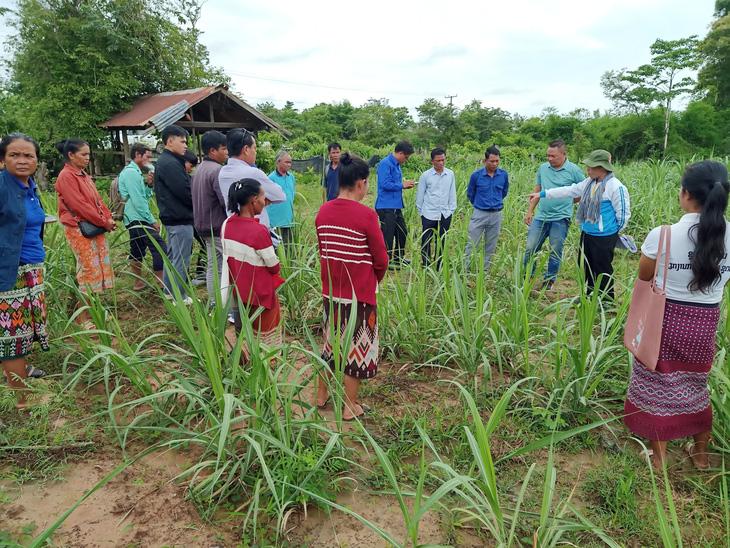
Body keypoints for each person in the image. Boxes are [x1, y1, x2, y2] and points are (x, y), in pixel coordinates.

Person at [624, 161, 730, 470]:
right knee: (697, 383)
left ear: (685, 194)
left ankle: (658, 458)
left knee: (658, 385)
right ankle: (699, 454)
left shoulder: (664, 235)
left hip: (666, 320)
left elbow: (645, 275)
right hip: (705, 321)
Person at [315, 152, 389, 421]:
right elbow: (381, 259)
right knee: (356, 350)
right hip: (359, 296)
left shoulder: (323, 211)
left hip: (331, 292)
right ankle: (349, 406)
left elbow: (323, 250)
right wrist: (372, 280)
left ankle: (321, 395)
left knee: (330, 344)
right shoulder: (366, 216)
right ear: (361, 183)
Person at [528, 150, 630, 300]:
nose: (587, 170)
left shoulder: (615, 187)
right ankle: (590, 296)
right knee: (587, 267)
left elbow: (623, 215)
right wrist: (542, 194)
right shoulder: (589, 183)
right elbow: (569, 190)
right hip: (587, 233)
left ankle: (606, 302)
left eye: (591, 167)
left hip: (604, 237)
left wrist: (611, 233)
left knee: (602, 269)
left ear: (602, 168)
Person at [0, 134, 50, 408]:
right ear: (3, 159)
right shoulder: (2, 187)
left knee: (17, 333)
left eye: (28, 155)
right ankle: (22, 402)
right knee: (13, 338)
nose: (22, 160)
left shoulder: (29, 186)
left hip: (30, 269)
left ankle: (16, 377)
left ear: (36, 160)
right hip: (10, 272)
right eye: (14, 155)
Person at [55, 138, 116, 328]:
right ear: (71, 155)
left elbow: (97, 201)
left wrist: (108, 217)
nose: (87, 158)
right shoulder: (66, 176)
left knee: (98, 268)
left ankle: (95, 311)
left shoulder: (83, 175)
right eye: (84, 154)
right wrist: (103, 222)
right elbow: (79, 206)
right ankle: (83, 318)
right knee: (89, 269)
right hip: (78, 228)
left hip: (94, 226)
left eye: (88, 154)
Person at [220, 178, 284, 345]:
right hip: (260, 294)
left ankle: (245, 363)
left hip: (239, 293)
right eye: (263, 197)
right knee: (265, 339)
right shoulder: (258, 231)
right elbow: (273, 266)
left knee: (244, 334)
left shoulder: (227, 225)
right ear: (254, 200)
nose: (265, 201)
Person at [523, 139, 585, 289]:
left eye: (553, 156)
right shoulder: (543, 168)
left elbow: (583, 190)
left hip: (560, 218)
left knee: (555, 250)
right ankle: (528, 277)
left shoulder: (574, 170)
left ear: (564, 154)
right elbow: (537, 191)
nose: (549, 159)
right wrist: (530, 211)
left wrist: (570, 202)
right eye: (548, 156)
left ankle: (549, 281)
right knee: (531, 247)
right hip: (541, 216)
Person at [118, 143, 166, 291]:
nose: (149, 160)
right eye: (147, 156)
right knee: (159, 247)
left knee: (137, 249)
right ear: (138, 155)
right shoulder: (131, 173)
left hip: (132, 218)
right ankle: (161, 283)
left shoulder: (135, 172)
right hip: (137, 218)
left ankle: (138, 282)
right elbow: (138, 201)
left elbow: (143, 195)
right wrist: (151, 220)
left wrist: (149, 184)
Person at [154, 124, 194, 304]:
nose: (185, 145)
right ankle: (179, 296)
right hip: (179, 218)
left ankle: (170, 291)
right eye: (182, 141)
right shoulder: (170, 163)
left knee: (174, 256)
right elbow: (184, 192)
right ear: (170, 141)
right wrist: (197, 205)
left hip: (173, 217)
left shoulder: (168, 161)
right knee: (181, 259)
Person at [218, 129, 285, 232]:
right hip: (255, 231)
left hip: (234, 231)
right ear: (246, 149)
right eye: (254, 148)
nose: (255, 152)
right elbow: (280, 195)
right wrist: (264, 199)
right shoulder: (253, 173)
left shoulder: (222, 173)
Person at [191, 130, 229, 306]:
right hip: (217, 225)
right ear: (213, 151)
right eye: (223, 148)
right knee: (225, 266)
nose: (226, 152)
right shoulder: (217, 170)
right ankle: (224, 304)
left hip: (203, 225)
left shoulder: (199, 169)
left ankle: (215, 302)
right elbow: (224, 201)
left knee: (214, 266)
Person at [465, 145, 509, 272]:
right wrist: (480, 205)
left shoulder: (503, 175)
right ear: (485, 161)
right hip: (479, 213)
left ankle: (485, 271)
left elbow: (504, 192)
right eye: (492, 161)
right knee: (472, 243)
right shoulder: (476, 176)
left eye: (497, 161)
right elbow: (470, 194)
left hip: (496, 214)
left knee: (491, 245)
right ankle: (465, 270)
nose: (495, 164)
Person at [375, 141, 415, 268]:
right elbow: (384, 184)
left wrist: (403, 185)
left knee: (402, 231)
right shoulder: (385, 164)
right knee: (388, 234)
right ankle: (385, 261)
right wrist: (402, 185)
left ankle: (398, 258)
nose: (406, 160)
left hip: (395, 205)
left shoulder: (397, 164)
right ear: (400, 153)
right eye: (406, 157)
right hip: (385, 206)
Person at [416, 147, 456, 268]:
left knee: (442, 240)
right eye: (438, 160)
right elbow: (420, 195)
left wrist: (450, 210)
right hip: (428, 213)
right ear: (432, 161)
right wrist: (422, 212)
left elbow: (452, 193)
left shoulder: (450, 174)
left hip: (445, 213)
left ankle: (440, 264)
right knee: (426, 240)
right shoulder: (425, 176)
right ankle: (426, 264)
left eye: (443, 160)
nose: (441, 163)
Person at [267, 151, 296, 246]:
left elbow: (292, 195)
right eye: (286, 162)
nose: (289, 165)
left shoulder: (291, 177)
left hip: (289, 219)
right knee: (278, 247)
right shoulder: (271, 178)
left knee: (289, 246)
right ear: (278, 162)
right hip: (276, 222)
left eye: (290, 162)